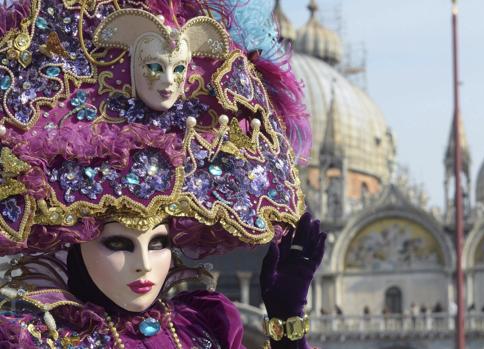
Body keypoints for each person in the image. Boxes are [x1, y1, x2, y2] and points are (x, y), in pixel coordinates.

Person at [0, 0, 321, 348]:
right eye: (118, 244)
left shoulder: (202, 328)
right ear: (77, 241)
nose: (144, 266)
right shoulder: (32, 337)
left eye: (159, 244)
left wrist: (286, 321)